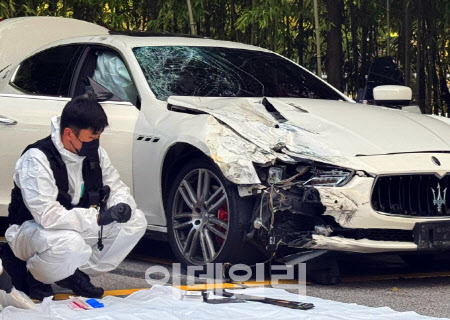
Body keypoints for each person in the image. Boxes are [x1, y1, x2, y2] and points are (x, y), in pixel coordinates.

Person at [5, 93, 147, 300]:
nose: (95, 144)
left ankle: (68, 273)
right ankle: (37, 275)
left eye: (98, 138)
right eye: (91, 138)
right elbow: (47, 216)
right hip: (30, 232)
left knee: (135, 221)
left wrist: (122, 205)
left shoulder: (95, 155)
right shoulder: (36, 159)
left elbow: (115, 186)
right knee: (69, 243)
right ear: (69, 133)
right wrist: (98, 218)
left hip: (72, 227)